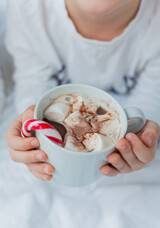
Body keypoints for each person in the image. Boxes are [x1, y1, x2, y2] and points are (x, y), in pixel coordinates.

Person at [5, 0, 160, 181]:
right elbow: (33, 81)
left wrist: (142, 138)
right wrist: (29, 124)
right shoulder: (28, 8)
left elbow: (152, 97)